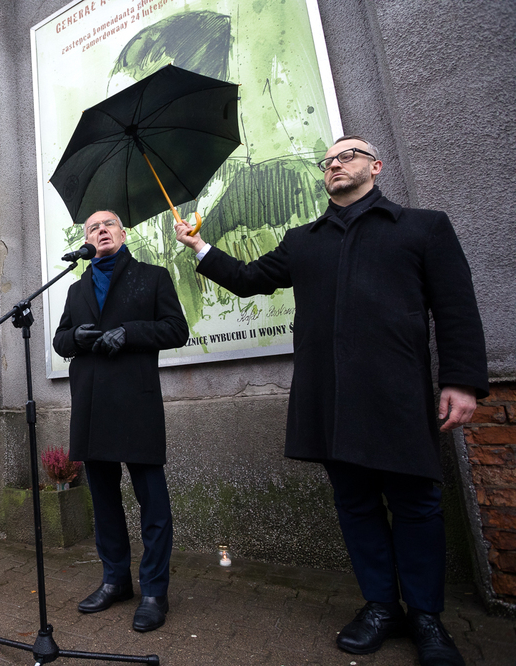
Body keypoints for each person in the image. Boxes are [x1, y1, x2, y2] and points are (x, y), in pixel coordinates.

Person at [174, 136, 488, 665]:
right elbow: (250, 281)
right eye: (328, 161)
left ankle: (427, 617)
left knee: (417, 506)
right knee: (356, 504)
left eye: (348, 156)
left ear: (375, 166)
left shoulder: (422, 227)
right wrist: (199, 247)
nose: (336, 164)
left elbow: (456, 308)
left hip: (397, 394)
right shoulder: (304, 241)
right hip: (330, 397)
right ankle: (381, 607)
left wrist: (460, 380)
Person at [52, 211, 189, 632]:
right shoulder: (75, 289)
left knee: (153, 502)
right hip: (92, 408)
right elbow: (60, 340)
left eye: (108, 225)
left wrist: (129, 332)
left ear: (123, 233)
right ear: (87, 240)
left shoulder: (152, 276)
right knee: (106, 503)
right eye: (93, 228)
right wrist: (76, 339)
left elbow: (175, 330)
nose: (101, 231)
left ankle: (153, 590)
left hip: (137, 405)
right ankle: (115, 580)